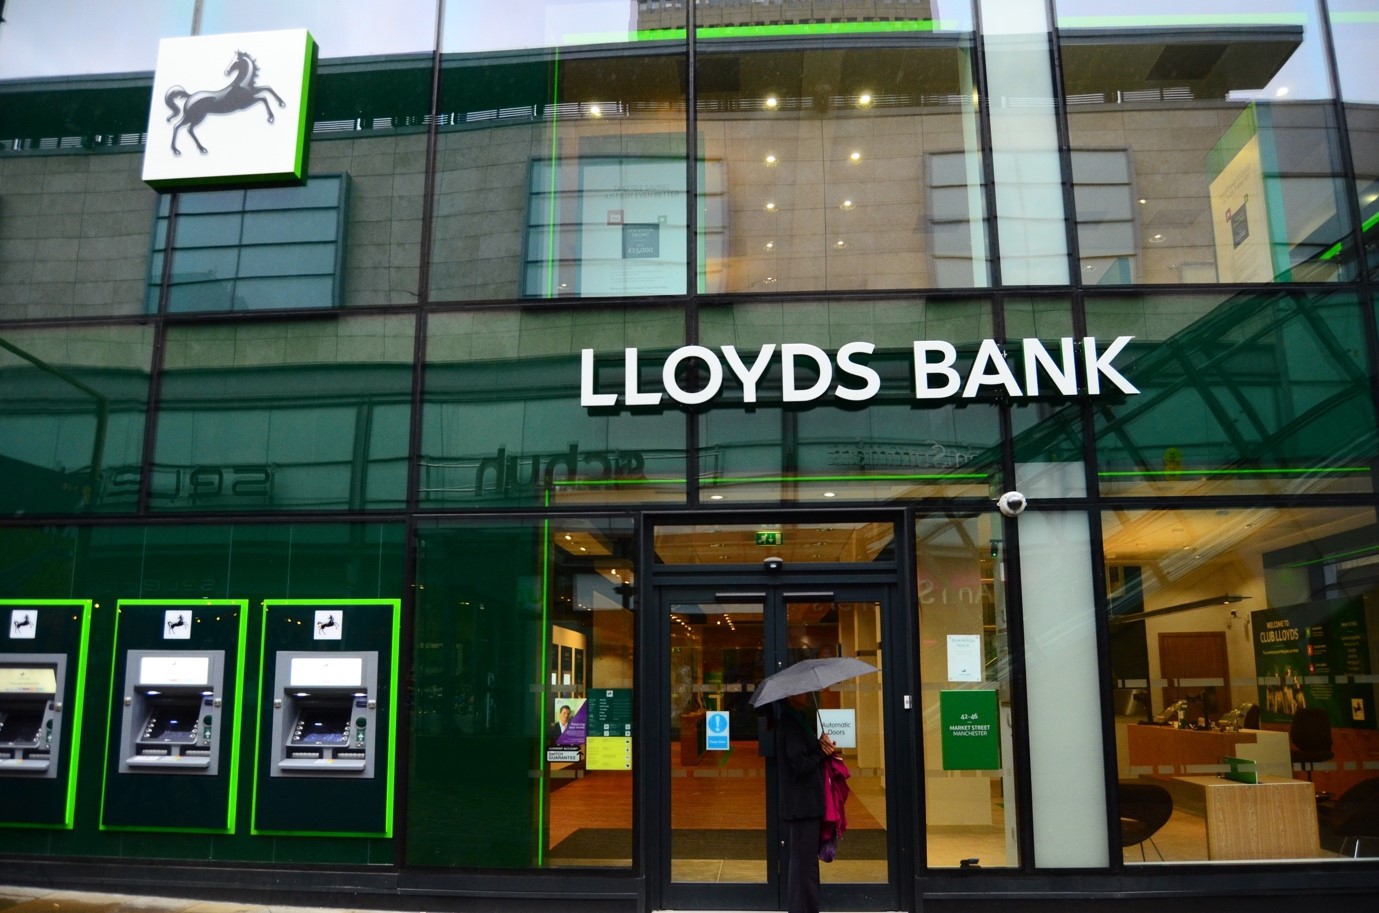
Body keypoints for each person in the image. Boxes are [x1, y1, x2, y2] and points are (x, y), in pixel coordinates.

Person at [776, 691, 841, 913]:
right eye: (801, 692)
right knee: (804, 867)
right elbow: (799, 764)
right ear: (790, 696)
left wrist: (819, 745)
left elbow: (804, 756)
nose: (805, 694)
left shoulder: (796, 719)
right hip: (802, 805)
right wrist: (821, 754)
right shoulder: (790, 722)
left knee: (804, 865)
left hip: (804, 804)